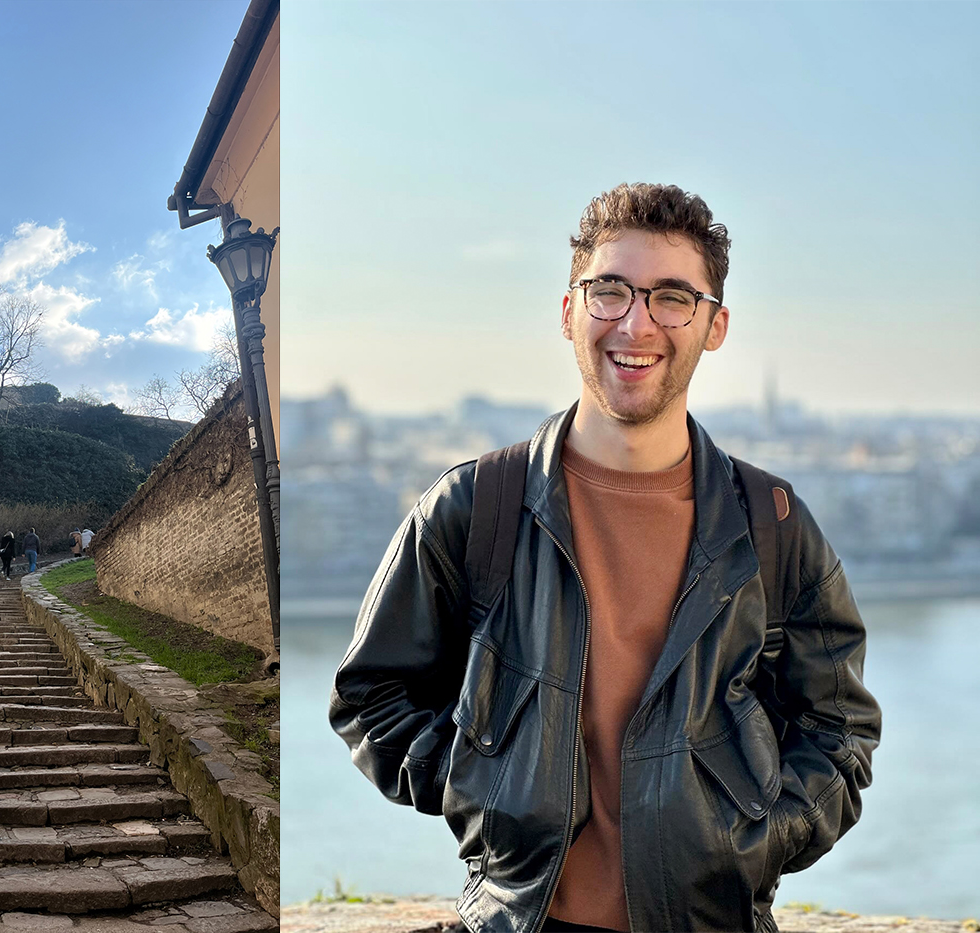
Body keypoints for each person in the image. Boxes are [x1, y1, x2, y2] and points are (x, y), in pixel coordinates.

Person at [330, 184, 881, 933]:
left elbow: (840, 727)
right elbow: (372, 694)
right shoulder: (473, 507)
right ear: (568, 311)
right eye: (611, 290)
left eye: (673, 298)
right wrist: (479, 785)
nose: (636, 321)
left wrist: (760, 837)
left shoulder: (772, 524)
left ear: (713, 325)